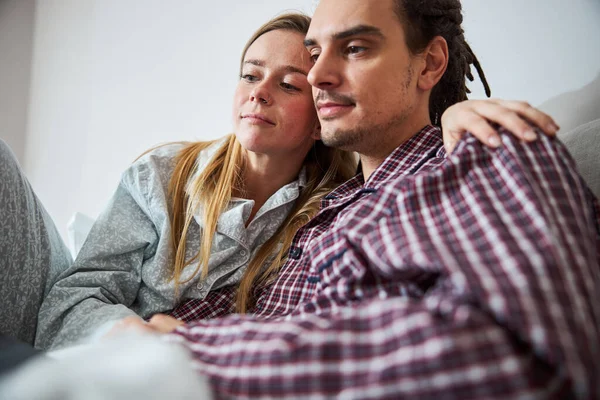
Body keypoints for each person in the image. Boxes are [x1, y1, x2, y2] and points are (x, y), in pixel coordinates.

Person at [1, 11, 555, 358]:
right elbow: (73, 297)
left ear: (319, 115)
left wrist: (455, 117)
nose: (259, 93)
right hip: (93, 321)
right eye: (248, 74)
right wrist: (128, 337)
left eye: (290, 83)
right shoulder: (164, 174)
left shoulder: (331, 208)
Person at [119, 1, 597, 398]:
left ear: (430, 63)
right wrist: (151, 336)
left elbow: (535, 355)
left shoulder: (488, 149)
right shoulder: (321, 208)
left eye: (354, 48)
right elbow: (249, 311)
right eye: (313, 52)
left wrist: (193, 352)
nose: (317, 75)